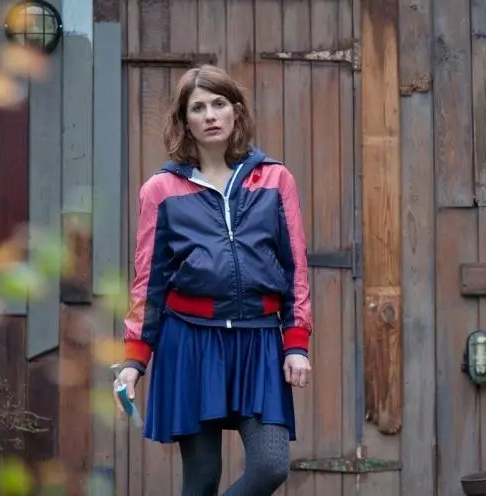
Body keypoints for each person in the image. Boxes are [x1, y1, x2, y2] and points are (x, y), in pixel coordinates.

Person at [113, 64, 313, 496]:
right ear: (184, 120)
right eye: (198, 107)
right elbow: (148, 281)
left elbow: (295, 266)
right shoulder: (161, 190)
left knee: (270, 466)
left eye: (219, 104)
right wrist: (134, 360)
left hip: (260, 341)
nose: (210, 115)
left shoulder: (275, 179)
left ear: (236, 111)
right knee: (202, 478)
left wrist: (296, 343)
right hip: (190, 342)